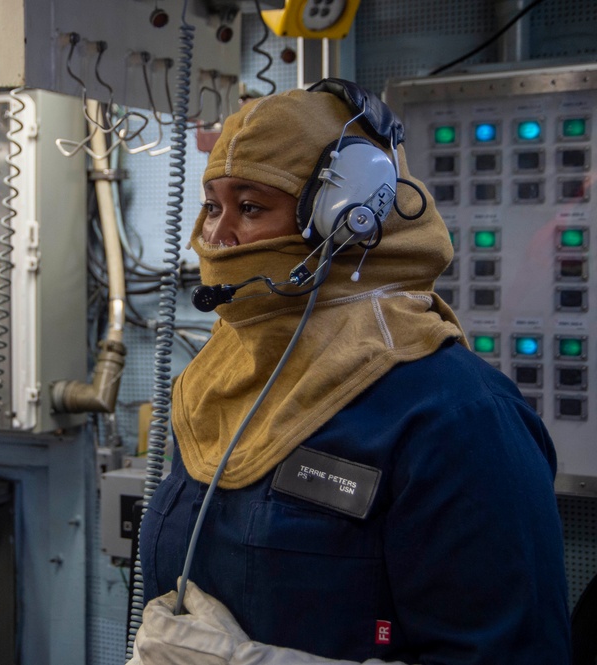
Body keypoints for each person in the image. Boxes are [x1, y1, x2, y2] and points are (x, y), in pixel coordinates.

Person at [129, 81, 571, 664]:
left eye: (252, 207)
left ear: (345, 217)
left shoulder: (458, 417)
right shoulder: (220, 376)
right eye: (213, 205)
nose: (217, 235)